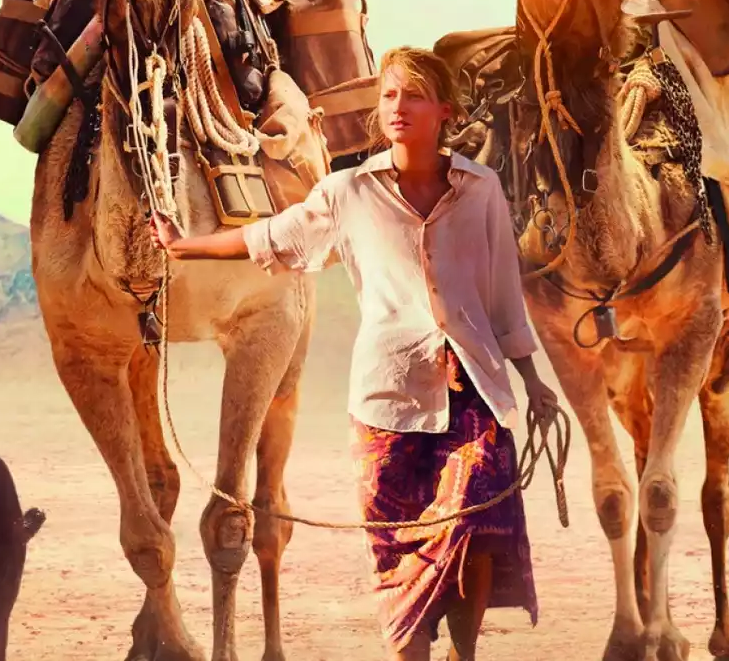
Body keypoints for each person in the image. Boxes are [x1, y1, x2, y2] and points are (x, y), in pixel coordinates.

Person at [152, 46, 558, 661]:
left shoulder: (482, 191)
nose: (398, 107)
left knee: (474, 521)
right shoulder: (349, 191)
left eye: (414, 95)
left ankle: (465, 652)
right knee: (397, 550)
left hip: (474, 387)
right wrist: (184, 246)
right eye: (390, 95)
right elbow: (274, 236)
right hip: (385, 400)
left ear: (445, 112)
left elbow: (503, 298)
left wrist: (533, 381)